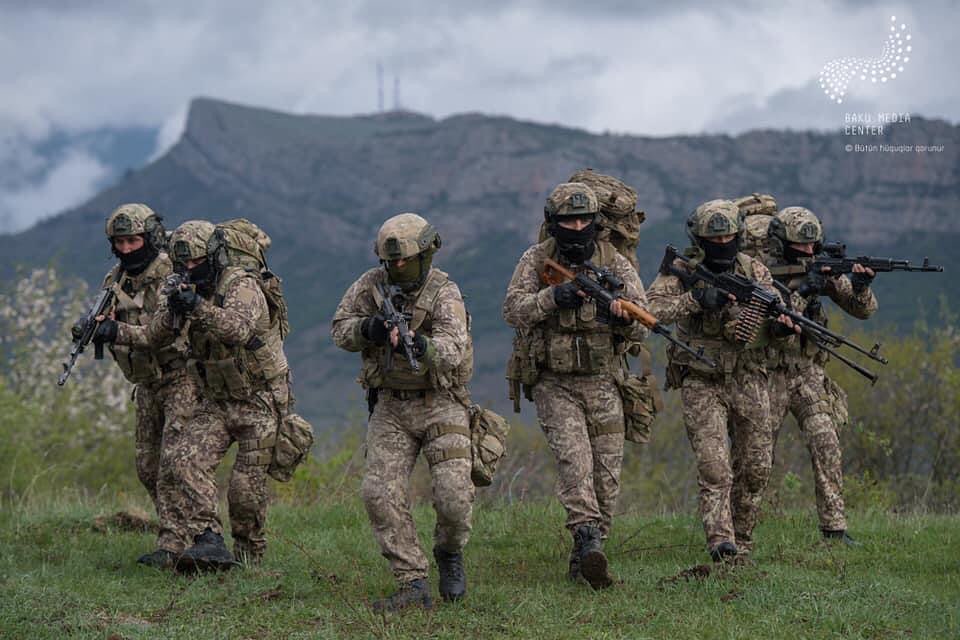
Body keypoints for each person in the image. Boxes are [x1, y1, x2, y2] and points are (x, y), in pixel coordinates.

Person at [95, 219, 289, 570]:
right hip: (215, 400)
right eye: (182, 263)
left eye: (196, 262)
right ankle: (207, 539)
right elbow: (153, 336)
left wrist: (197, 307)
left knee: (244, 493)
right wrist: (113, 330)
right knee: (179, 461)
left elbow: (238, 329)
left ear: (213, 256)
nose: (188, 269)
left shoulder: (242, 285)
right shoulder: (180, 288)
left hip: (258, 403)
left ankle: (250, 560)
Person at [502, 182, 648, 589]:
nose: (577, 226)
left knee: (607, 476)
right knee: (575, 463)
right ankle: (585, 538)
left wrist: (623, 317)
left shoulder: (613, 261)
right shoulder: (535, 260)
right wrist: (554, 298)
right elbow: (512, 309)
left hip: (604, 381)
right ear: (554, 223)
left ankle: (588, 556)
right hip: (555, 382)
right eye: (569, 221)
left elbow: (644, 317)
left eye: (584, 220)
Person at [331, 213, 475, 612]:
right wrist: (370, 330)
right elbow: (339, 328)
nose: (396, 268)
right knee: (379, 493)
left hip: (441, 402)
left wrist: (418, 345)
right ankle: (411, 580)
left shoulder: (445, 293)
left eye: (404, 261)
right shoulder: (370, 285)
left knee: (453, 498)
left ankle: (448, 551)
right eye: (390, 262)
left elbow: (452, 350)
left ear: (426, 254)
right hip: (391, 405)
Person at [645, 199, 791, 562]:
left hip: (748, 375)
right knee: (714, 466)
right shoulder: (681, 269)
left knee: (757, 465)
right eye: (715, 237)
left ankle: (742, 536)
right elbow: (649, 310)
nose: (723, 243)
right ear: (699, 238)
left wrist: (779, 326)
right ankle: (721, 542)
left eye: (729, 235)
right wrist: (695, 299)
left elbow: (775, 322)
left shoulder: (754, 270)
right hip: (701, 378)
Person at [83, 203, 199, 568]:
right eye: (119, 242)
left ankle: (179, 544)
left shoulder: (171, 275)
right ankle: (177, 533)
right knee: (147, 466)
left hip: (180, 377)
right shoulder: (115, 281)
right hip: (147, 384)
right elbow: (108, 318)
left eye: (133, 240)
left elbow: (162, 330)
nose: (127, 249)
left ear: (149, 237)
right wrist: (92, 327)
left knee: (174, 464)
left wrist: (117, 330)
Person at [762, 206, 877, 544]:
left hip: (808, 372)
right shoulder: (762, 273)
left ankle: (834, 529)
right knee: (755, 456)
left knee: (826, 441)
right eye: (801, 247)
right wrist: (802, 293)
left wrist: (860, 287)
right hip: (767, 375)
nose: (809, 252)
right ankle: (738, 529)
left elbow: (863, 311)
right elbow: (770, 316)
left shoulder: (818, 269)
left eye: (814, 246)